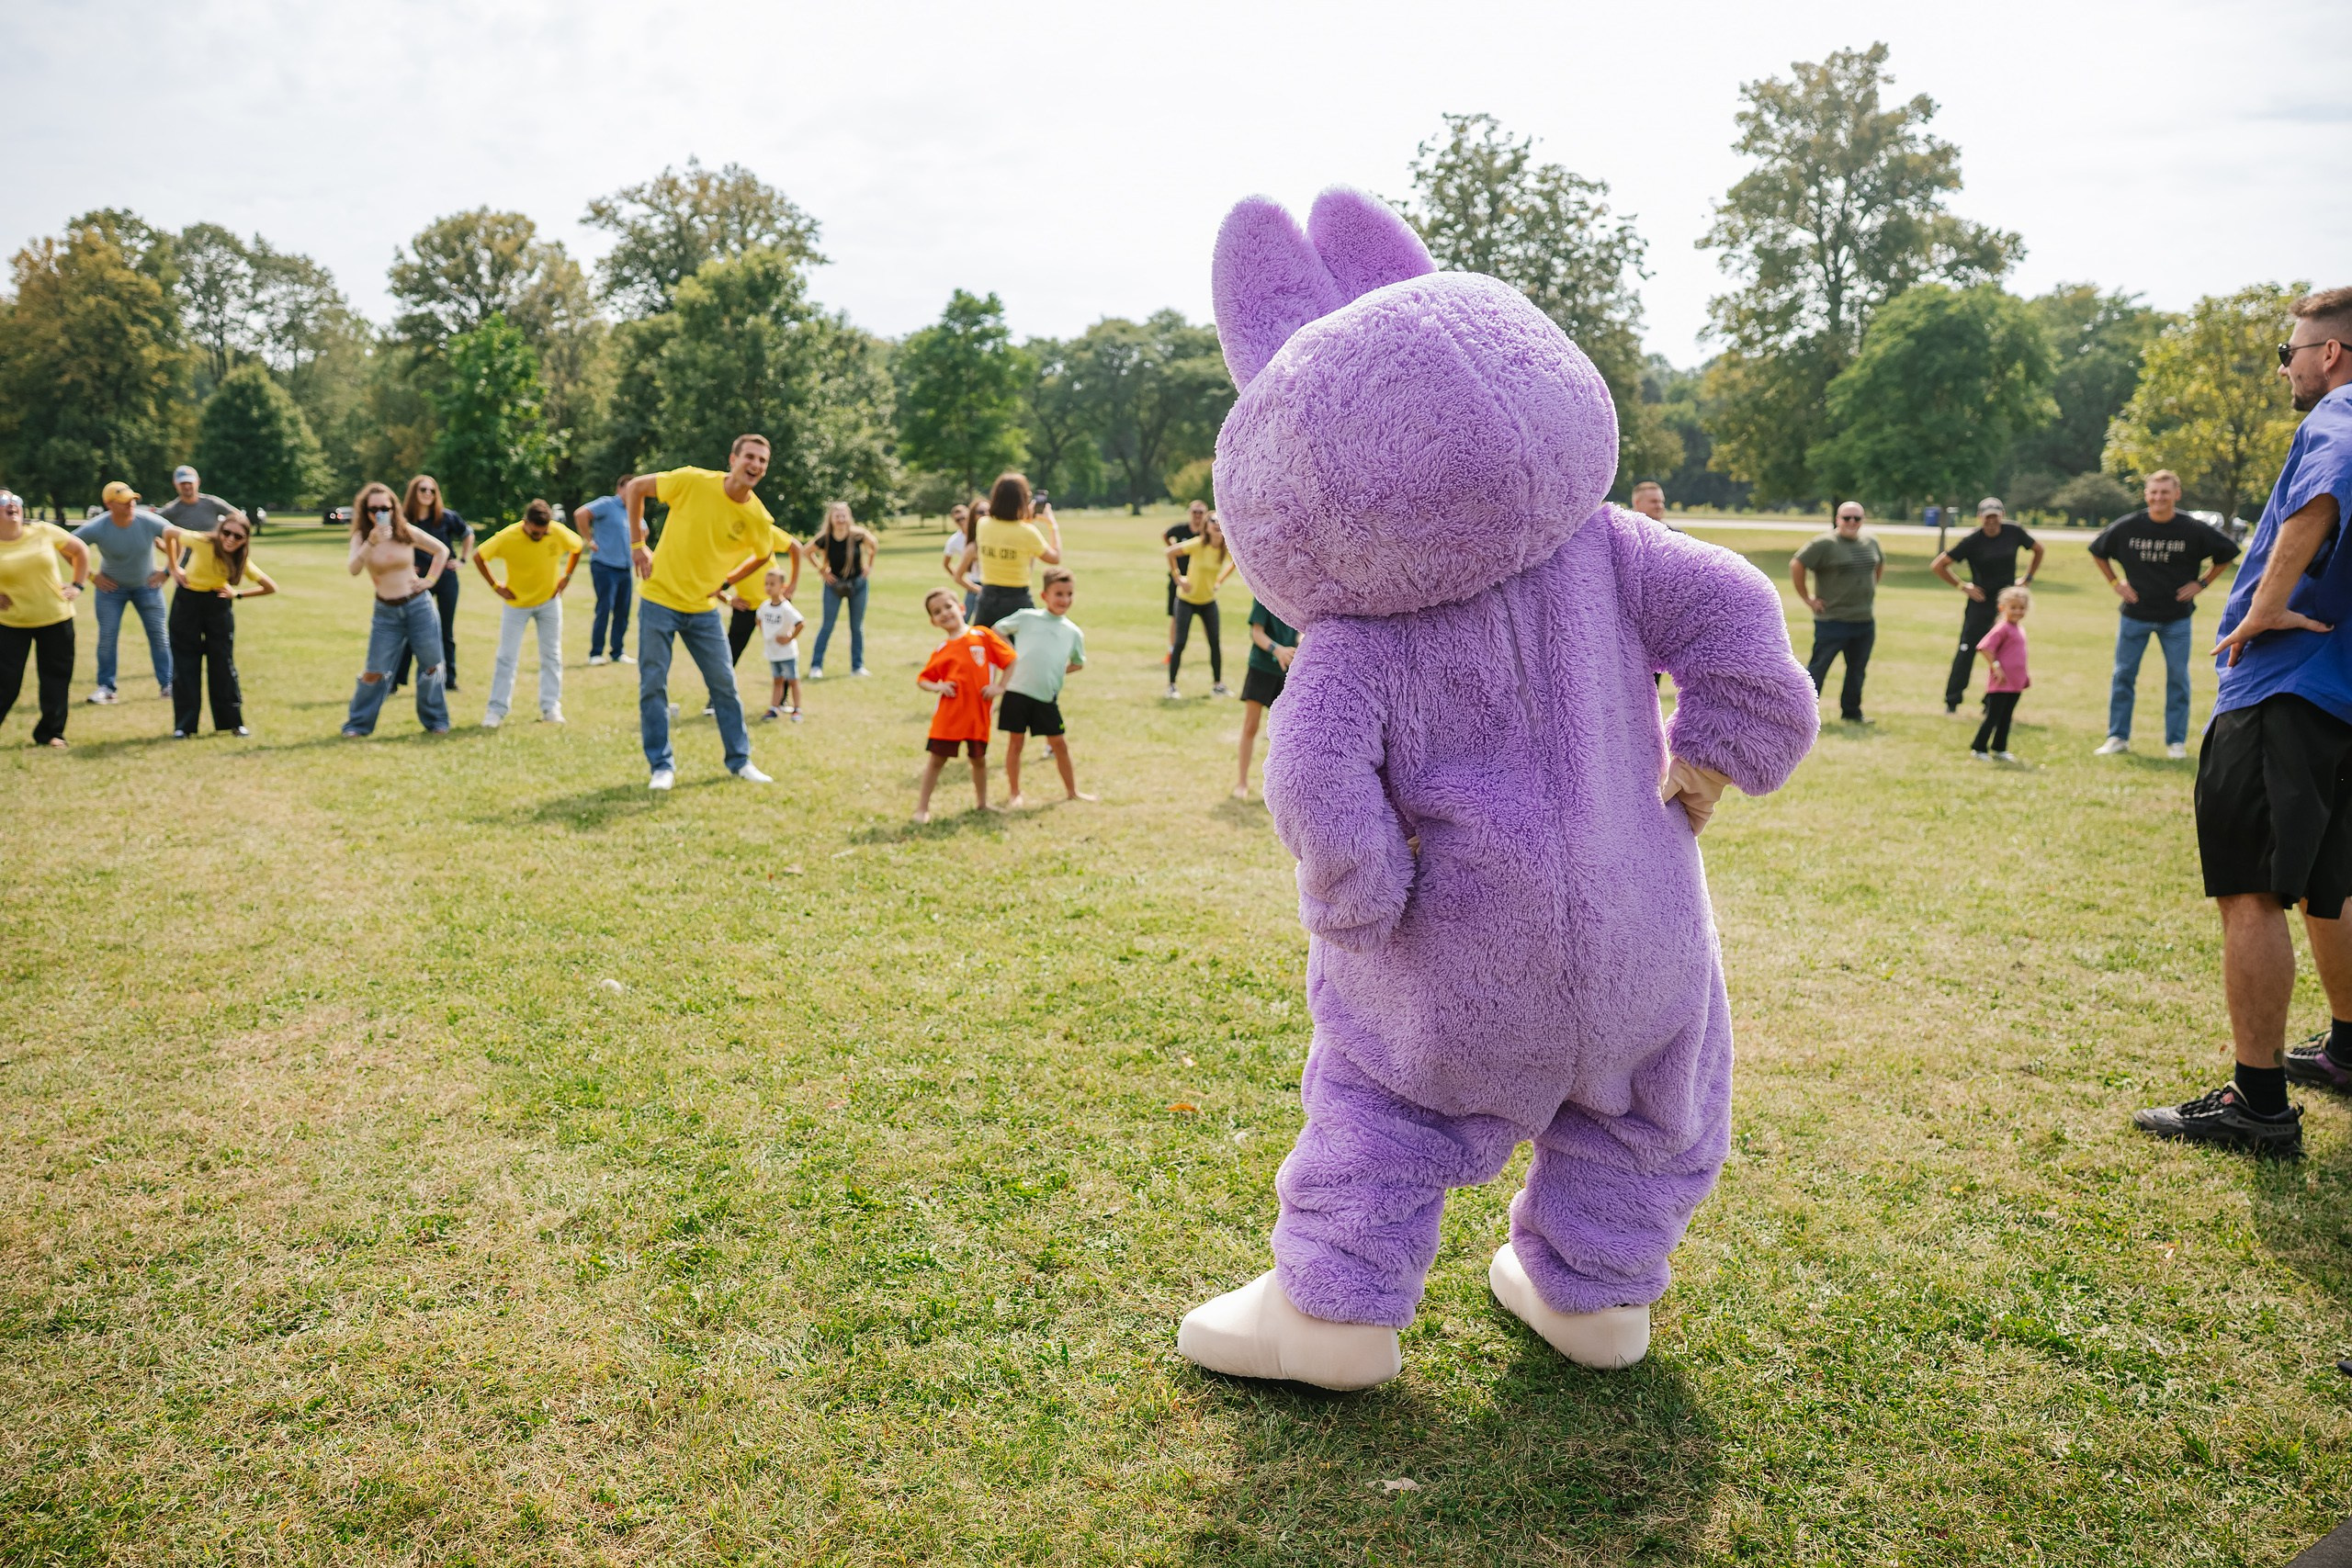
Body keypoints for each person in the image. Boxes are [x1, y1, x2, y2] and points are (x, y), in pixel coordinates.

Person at [2132, 285, 2352, 1156]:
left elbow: (2325, 492)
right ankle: (2346, 1048)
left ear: (2330, 352)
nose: (2288, 366)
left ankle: (2257, 1104)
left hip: (2283, 689)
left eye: (2290, 350)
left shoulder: (2339, 412)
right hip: (2340, 699)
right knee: (2330, 886)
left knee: (2250, 888)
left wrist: (2262, 605)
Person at [620, 435, 779, 790]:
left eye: (763, 462)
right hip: (659, 599)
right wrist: (637, 545)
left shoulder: (756, 515)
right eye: (750, 457)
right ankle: (661, 766)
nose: (755, 465)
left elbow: (764, 555)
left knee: (724, 685)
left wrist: (725, 582)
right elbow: (635, 488)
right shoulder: (692, 481)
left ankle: (740, 761)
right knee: (653, 685)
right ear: (732, 458)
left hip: (704, 611)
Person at [2089, 470, 2240, 760]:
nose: (2159, 497)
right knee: (2123, 676)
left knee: (2178, 678)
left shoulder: (2192, 528)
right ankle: (2117, 737)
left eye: (2165, 492)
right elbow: (2098, 551)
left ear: (2176, 494)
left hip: (2177, 617)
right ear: (2146, 495)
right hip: (2135, 615)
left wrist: (2203, 582)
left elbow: (2227, 553)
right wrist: (2115, 582)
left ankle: (2176, 743)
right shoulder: (2129, 526)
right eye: (2154, 492)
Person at [341, 482, 450, 738]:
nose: (379, 512)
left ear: (394, 508)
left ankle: (436, 722)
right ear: (365, 511)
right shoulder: (362, 537)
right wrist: (371, 542)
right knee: (374, 670)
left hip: (418, 606)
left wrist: (430, 580)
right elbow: (354, 569)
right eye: (373, 508)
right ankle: (357, 725)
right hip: (386, 613)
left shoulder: (405, 531)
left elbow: (441, 550)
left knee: (431, 666)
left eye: (385, 508)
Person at [161, 504, 274, 739]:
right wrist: (174, 568)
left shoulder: (241, 559)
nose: (230, 539)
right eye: (227, 533)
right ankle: (184, 726)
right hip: (187, 603)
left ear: (245, 540)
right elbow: (169, 533)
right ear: (220, 530)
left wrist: (238, 594)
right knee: (186, 664)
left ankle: (233, 722)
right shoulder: (202, 541)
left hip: (218, 604)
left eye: (238, 536)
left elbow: (270, 587)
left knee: (222, 664)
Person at [474, 499, 582, 728]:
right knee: (506, 657)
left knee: (552, 655)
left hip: (549, 603)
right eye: (535, 533)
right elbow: (479, 556)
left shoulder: (556, 531)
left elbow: (577, 546)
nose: (540, 537)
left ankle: (551, 707)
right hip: (517, 605)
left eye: (543, 533)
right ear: (525, 523)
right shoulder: (508, 536)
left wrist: (567, 577)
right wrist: (495, 586)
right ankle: (496, 710)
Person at [1931, 498, 2042, 712]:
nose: (1991, 521)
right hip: (1980, 603)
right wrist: (1963, 587)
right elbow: (1939, 565)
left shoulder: (2014, 532)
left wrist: (2028, 578)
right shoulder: (1972, 540)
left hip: (2005, 605)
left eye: (1995, 516)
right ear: (1980, 517)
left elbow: (2039, 549)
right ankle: (1952, 701)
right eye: (1987, 516)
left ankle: (1991, 702)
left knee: (2004, 653)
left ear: (2002, 515)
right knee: (1967, 650)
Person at [996, 567, 1093, 807]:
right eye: (1059, 594)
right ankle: (1015, 792)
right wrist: (1012, 655)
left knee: (1059, 744)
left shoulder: (1073, 632)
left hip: (1046, 697)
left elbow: (1078, 663)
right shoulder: (1027, 617)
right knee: (1016, 742)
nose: (1065, 599)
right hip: (1017, 690)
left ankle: (1072, 791)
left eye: (1069, 594)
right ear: (1044, 596)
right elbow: (998, 629)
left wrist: (1057, 670)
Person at [0, 489, 90, 748]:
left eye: (15, 500)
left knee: (56, 679)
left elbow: (80, 551)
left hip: (56, 618)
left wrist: (77, 586)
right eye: (3, 501)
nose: (12, 504)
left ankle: (51, 733)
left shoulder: (42, 531)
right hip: (11, 624)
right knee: (5, 684)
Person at [913, 588, 1012, 822]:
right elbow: (923, 679)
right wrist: (939, 687)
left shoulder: (982, 636)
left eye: (948, 606)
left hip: (978, 715)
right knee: (936, 760)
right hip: (949, 717)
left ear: (961, 607)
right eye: (937, 612)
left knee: (978, 760)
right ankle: (922, 809)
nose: (945, 613)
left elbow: (1011, 660)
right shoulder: (942, 650)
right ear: (933, 621)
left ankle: (982, 803)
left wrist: (1000, 687)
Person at [75, 479, 175, 704]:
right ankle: (106, 688)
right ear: (109, 504)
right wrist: (91, 576)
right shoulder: (98, 527)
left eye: (132, 500)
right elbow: (68, 546)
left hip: (147, 588)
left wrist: (168, 571)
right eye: (123, 501)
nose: (130, 504)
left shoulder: (147, 520)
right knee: (107, 638)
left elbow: (176, 537)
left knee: (160, 637)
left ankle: (168, 685)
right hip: (111, 591)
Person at [1792, 502, 1885, 724]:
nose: (1852, 522)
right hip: (1832, 621)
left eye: (1857, 518)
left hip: (1864, 620)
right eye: (1847, 518)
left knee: (1857, 670)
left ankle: (1851, 712)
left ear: (1863, 520)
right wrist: (1808, 599)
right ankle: (1802, 716)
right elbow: (1797, 564)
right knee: (1819, 668)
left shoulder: (1871, 540)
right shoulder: (1824, 543)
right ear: (1837, 519)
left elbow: (1878, 564)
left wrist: (1869, 587)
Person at [389, 475, 470, 693]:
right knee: (409, 630)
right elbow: (392, 543)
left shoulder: (446, 517)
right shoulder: (404, 519)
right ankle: (396, 681)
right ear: (413, 492)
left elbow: (467, 533)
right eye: (423, 490)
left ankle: (449, 680)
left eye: (432, 491)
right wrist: (405, 565)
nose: (428, 494)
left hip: (444, 578)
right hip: (416, 580)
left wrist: (462, 559)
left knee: (446, 630)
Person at [959, 472, 1061, 627]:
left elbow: (1007, 531)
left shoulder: (984, 524)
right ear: (1023, 500)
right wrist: (1052, 525)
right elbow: (1055, 558)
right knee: (1020, 650)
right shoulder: (1027, 532)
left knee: (986, 648)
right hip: (1016, 599)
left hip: (988, 599)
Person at [1166, 510, 1237, 697]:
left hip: (1208, 602)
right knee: (1180, 642)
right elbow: (1170, 552)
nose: (1217, 524)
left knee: (1214, 643)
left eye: (1220, 520)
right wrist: (1178, 579)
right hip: (1186, 601)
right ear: (1206, 526)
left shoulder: (1225, 549)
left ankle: (1218, 685)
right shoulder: (1198, 544)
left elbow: (1236, 563)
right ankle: (1172, 686)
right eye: (1213, 520)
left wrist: (1219, 581)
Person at [1234, 594, 1298, 799]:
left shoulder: (1297, 596)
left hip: (1286, 672)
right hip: (1261, 667)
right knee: (1251, 726)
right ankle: (1241, 782)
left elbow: (1300, 632)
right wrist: (1277, 650)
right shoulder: (1264, 594)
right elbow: (1256, 633)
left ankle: (1280, 788)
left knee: (1285, 734)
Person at [808, 501, 876, 678]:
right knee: (827, 625)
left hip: (858, 584)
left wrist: (869, 565)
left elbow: (873, 545)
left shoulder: (858, 535)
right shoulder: (826, 538)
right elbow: (806, 551)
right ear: (830, 518)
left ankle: (857, 667)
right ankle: (816, 666)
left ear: (849, 517)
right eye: (837, 516)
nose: (840, 519)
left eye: (843, 515)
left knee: (856, 627)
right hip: (833, 585)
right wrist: (822, 570)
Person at [576, 474, 637, 666]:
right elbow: (580, 514)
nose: (632, 492)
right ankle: (595, 653)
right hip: (605, 566)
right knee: (604, 608)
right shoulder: (607, 504)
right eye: (629, 488)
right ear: (619, 489)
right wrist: (589, 540)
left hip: (625, 568)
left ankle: (617, 652)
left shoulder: (634, 509)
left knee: (623, 612)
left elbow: (643, 530)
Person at [1968, 586, 2032, 763]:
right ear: (2002, 608)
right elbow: (1984, 647)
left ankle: (1999, 748)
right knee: (1993, 717)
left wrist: (2024, 675)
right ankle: (1979, 747)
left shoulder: (2019, 628)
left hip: (2015, 682)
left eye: (2022, 608)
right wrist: (1996, 667)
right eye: (2014, 607)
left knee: (2006, 717)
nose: (2018, 611)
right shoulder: (2002, 628)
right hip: (2001, 683)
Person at [755, 569, 806, 720]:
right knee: (777, 680)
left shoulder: (786, 607)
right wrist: (764, 631)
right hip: (772, 652)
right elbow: (758, 618)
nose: (768, 587)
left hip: (787, 652)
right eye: (766, 584)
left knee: (793, 680)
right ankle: (774, 707)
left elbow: (801, 623)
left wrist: (789, 638)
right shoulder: (765, 606)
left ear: (782, 586)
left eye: (772, 584)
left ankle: (797, 709)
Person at [1165, 500, 1208, 660]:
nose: (1197, 515)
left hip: (1199, 581)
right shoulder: (1181, 529)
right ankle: (1171, 651)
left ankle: (1210, 650)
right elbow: (1166, 534)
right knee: (1175, 616)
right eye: (1194, 512)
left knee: (1208, 618)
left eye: (1201, 512)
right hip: (1179, 580)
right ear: (1189, 513)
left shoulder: (1206, 535)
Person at [942, 502, 981, 622]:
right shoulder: (954, 541)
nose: (961, 521)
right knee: (964, 618)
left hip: (991, 581)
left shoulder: (982, 533)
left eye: (963, 517)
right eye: (957, 520)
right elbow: (946, 564)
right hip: (974, 582)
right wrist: (960, 578)